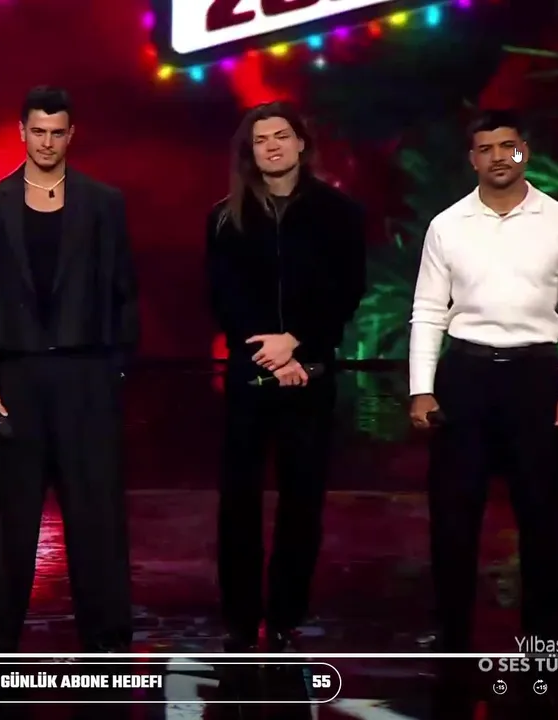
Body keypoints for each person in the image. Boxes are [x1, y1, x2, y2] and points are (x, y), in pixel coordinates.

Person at [408, 109, 558, 651]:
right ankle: (452, 633)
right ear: (473, 159)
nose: (498, 157)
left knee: (540, 511)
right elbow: (428, 310)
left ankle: (544, 637)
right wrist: (422, 387)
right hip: (465, 376)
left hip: (535, 377)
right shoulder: (447, 225)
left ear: (524, 152)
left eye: (508, 146)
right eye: (486, 148)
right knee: (453, 512)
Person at [0, 86, 139, 652]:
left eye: (56, 133)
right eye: (37, 131)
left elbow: (124, 294)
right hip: (13, 381)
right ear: (22, 132)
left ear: (71, 135)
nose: (46, 142)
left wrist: (114, 372)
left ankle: (107, 643)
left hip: (85, 379)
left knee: (96, 518)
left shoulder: (103, 204)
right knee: (7, 522)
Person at [205, 102, 367, 653]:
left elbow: (346, 291)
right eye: (260, 139)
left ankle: (286, 613)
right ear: (249, 152)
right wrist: (270, 352)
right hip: (249, 374)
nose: (271, 146)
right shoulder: (224, 218)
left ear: (301, 143)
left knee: (303, 499)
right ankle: (239, 615)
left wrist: (296, 341)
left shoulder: (339, 213)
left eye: (281, 135)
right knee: (239, 500)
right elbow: (223, 296)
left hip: (311, 373)